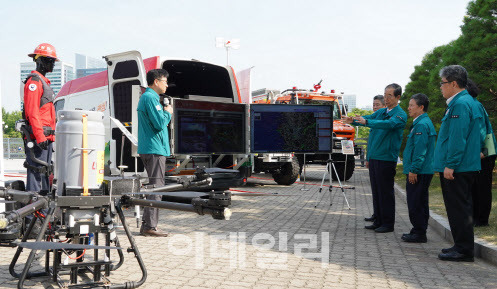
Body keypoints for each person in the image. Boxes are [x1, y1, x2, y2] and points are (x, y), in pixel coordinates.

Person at [343, 84, 407, 233]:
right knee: (377, 190)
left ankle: (387, 223)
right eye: (385, 95)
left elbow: (387, 124)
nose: (386, 98)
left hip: (386, 157)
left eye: (389, 95)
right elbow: (368, 118)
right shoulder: (382, 112)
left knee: (385, 191)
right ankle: (378, 219)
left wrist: (367, 122)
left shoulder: (400, 115)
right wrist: (352, 120)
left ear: (398, 97)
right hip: (376, 157)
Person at [435, 65, 482, 262]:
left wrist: (450, 164)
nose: (440, 87)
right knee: (458, 208)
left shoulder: (461, 104)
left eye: (443, 83)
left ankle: (464, 250)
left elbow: (457, 137)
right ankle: (460, 245)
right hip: (462, 165)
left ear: (453, 83)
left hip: (459, 167)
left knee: (459, 208)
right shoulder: (461, 102)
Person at [137, 69, 173, 237]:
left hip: (152, 148)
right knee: (157, 189)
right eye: (165, 81)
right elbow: (159, 123)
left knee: (153, 188)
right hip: (154, 149)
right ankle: (150, 227)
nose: (167, 84)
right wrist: (168, 112)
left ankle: (147, 225)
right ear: (156, 81)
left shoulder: (149, 97)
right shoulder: (151, 98)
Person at [401, 93, 436, 243]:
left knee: (416, 202)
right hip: (421, 169)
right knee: (419, 201)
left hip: (420, 170)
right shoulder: (421, 122)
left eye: (411, 105)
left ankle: (419, 232)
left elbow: (420, 150)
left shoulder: (422, 124)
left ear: (421, 107)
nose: (408, 108)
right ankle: (418, 230)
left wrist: (414, 169)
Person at [23, 43, 57, 194]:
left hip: (46, 138)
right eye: (49, 60)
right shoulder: (35, 82)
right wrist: (39, 136)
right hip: (39, 138)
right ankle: (31, 216)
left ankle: (43, 215)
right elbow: (32, 111)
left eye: (53, 61)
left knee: (44, 173)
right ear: (39, 60)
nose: (52, 64)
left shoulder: (43, 82)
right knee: (36, 174)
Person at [467, 79, 497, 227]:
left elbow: (480, 131)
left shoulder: (474, 104)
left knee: (482, 186)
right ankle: (475, 216)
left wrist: (479, 151)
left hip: (484, 153)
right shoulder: (471, 103)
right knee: (475, 186)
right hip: (479, 152)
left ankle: (482, 219)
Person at [364, 95, 386, 222]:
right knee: (375, 189)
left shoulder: (382, 123)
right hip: (373, 158)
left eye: (377, 104)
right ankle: (376, 214)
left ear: (383, 106)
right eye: (374, 105)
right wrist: (368, 158)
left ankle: (382, 216)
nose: (375, 107)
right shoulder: (374, 121)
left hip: (382, 158)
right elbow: (371, 143)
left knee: (381, 190)